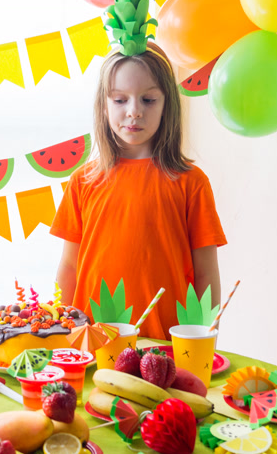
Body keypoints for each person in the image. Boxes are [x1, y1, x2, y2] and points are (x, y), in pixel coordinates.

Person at [51, 45, 227, 340]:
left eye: (148, 99)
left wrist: (203, 340)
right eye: (120, 99)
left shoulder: (191, 182)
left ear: (166, 104)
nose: (134, 111)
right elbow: (69, 266)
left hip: (166, 343)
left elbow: (206, 274)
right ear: (104, 106)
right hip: (91, 343)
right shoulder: (82, 180)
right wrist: (59, 332)